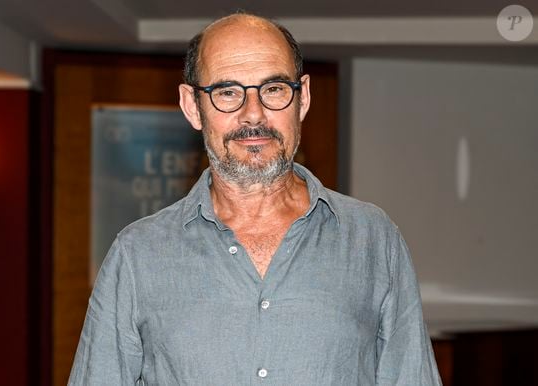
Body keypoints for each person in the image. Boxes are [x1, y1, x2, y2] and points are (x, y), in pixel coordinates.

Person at [69, 12, 441, 385]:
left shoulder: (373, 240)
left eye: (274, 88)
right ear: (192, 106)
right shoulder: (138, 255)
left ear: (303, 97)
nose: (253, 114)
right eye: (227, 92)